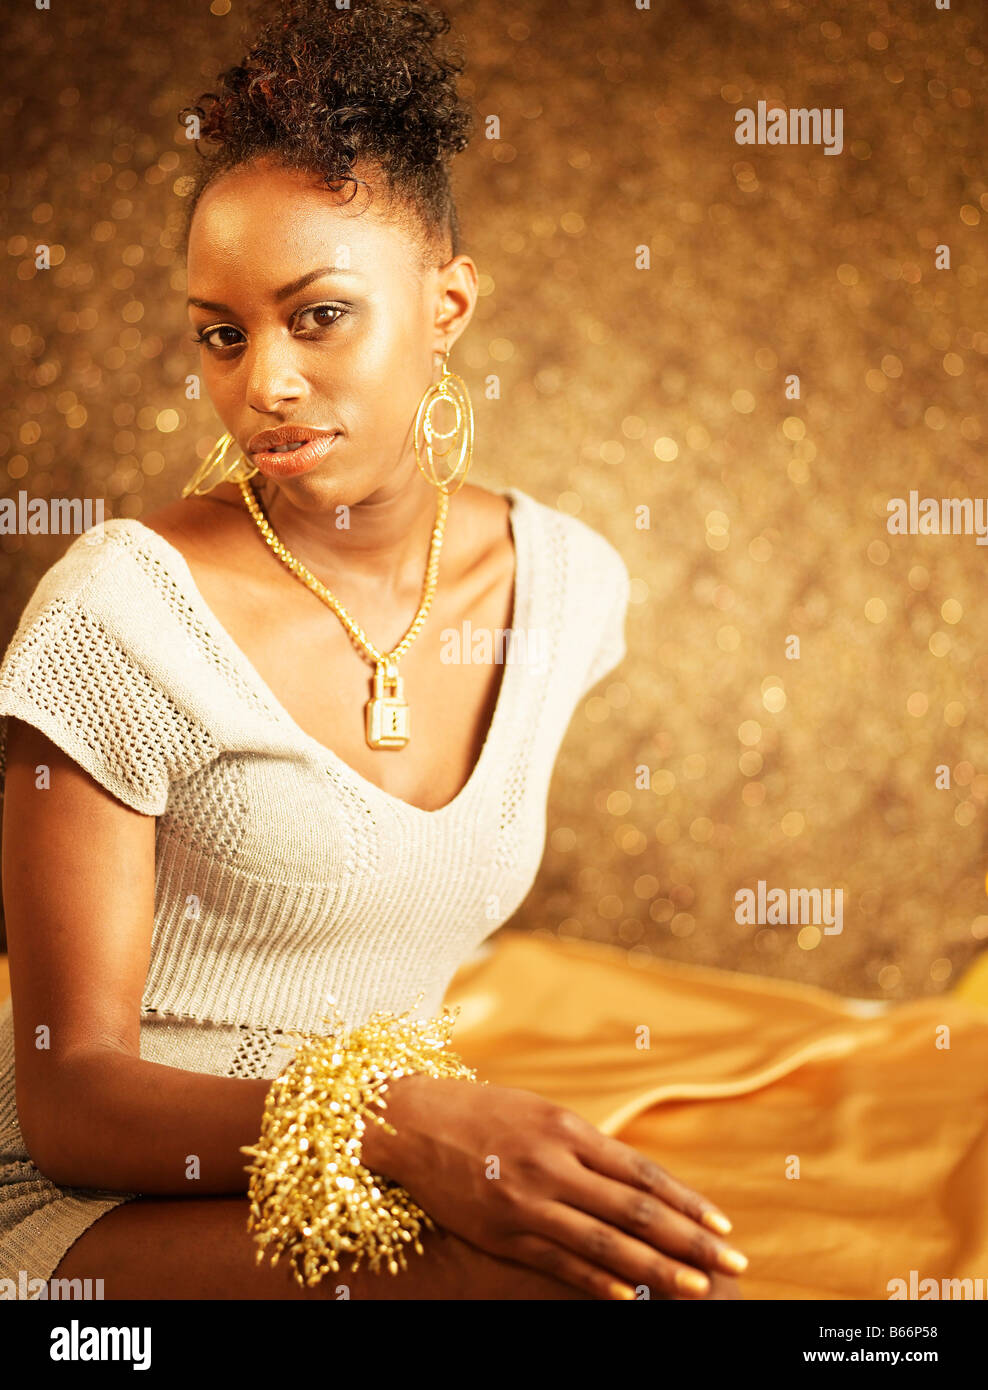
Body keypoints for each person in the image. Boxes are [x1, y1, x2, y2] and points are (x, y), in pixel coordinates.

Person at [0, 0, 745, 1300]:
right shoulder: (118, 617)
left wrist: (411, 1138)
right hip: (91, 1212)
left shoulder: (564, 589)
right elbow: (71, 1105)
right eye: (222, 334)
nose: (264, 384)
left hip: (371, 1168)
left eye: (320, 316)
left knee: (659, 1276)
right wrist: (396, 1120)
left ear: (447, 303)